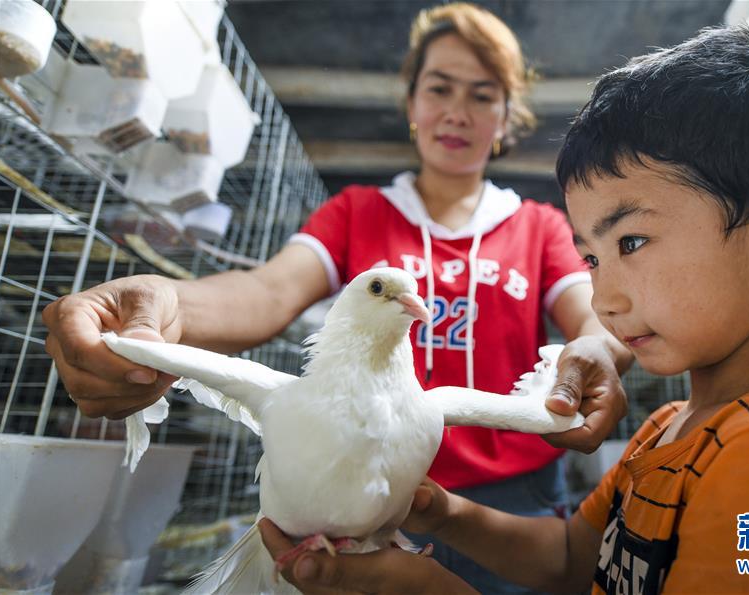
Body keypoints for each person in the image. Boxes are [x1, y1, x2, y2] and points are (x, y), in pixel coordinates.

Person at [262, 25, 749, 595]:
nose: (603, 299)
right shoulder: (670, 427)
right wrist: (439, 512)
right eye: (592, 259)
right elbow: (572, 559)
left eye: (633, 242)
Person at [42, 3, 631, 593]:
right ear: (411, 105)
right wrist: (165, 303)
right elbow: (266, 291)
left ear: (507, 116)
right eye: (439, 88)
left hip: (516, 503)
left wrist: (600, 350)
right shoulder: (358, 212)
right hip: (358, 496)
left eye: (482, 95)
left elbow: (592, 314)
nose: (457, 111)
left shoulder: (537, 226)